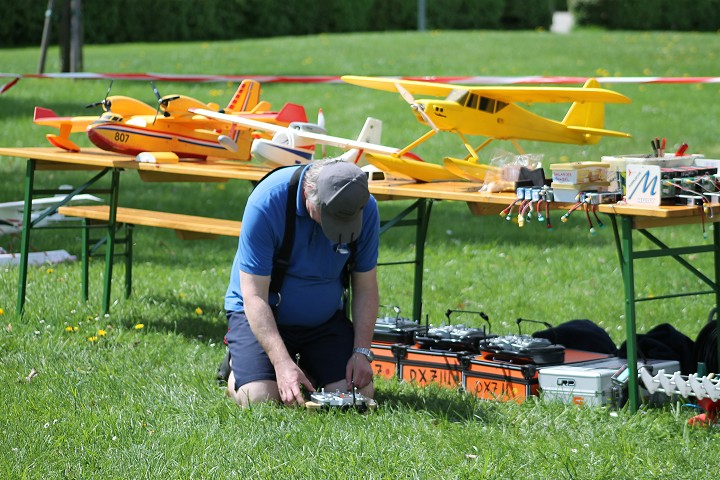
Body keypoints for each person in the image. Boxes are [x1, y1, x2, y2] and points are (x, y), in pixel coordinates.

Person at [224, 158, 380, 407]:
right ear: (308, 192)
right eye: (332, 218)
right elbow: (253, 296)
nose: (339, 230)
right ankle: (239, 368)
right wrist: (280, 362)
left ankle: (305, 367)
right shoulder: (267, 201)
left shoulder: (363, 207)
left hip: (324, 321)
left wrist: (361, 352)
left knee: (358, 395)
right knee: (259, 398)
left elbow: (366, 285)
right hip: (264, 315)